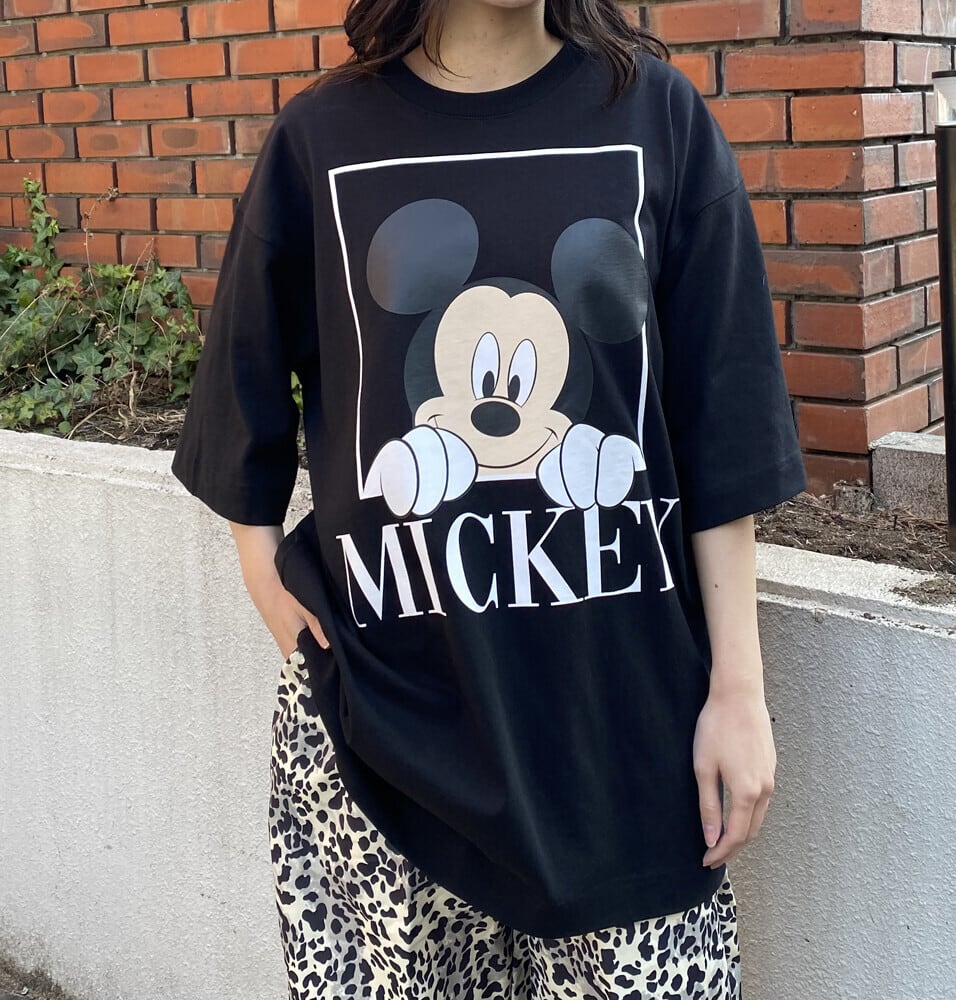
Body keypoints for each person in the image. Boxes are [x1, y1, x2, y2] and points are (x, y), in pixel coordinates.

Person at [171, 0, 807, 992]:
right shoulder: (322, 139)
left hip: (622, 745)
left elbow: (725, 421)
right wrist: (261, 565)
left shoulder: (659, 119)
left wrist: (738, 690)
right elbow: (242, 373)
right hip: (385, 746)